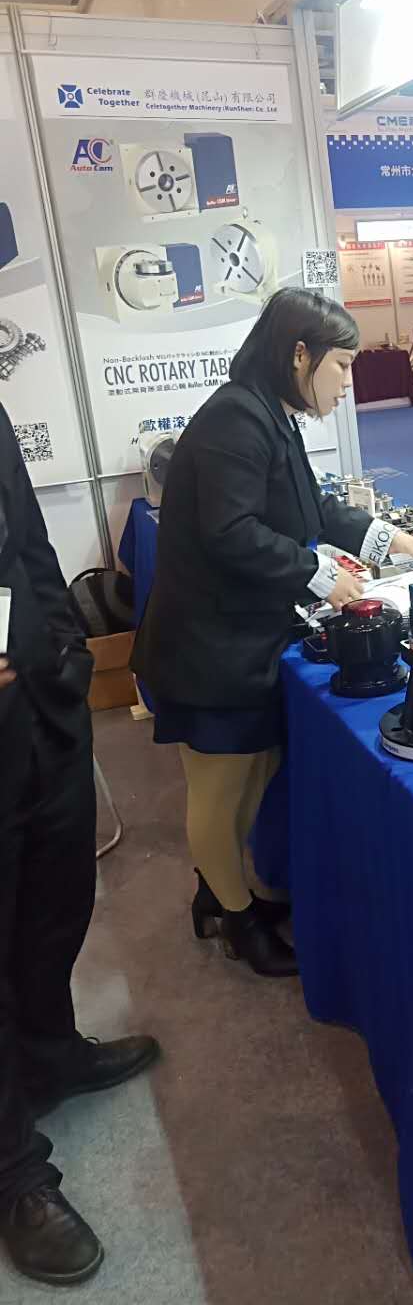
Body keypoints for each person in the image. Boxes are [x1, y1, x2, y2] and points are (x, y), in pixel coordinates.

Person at [131, 290, 413, 977]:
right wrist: (319, 575)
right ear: (300, 354)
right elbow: (231, 532)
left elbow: (308, 505)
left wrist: (387, 539)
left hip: (244, 638)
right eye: (342, 365)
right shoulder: (237, 419)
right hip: (210, 647)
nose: (348, 381)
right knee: (220, 789)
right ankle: (236, 921)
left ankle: (222, 893)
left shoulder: (271, 414)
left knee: (252, 773)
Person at [0, 402, 159, 1286]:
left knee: (56, 899)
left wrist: (63, 650)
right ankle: (15, 1174)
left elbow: (25, 540)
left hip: (38, 706)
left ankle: (49, 1052)